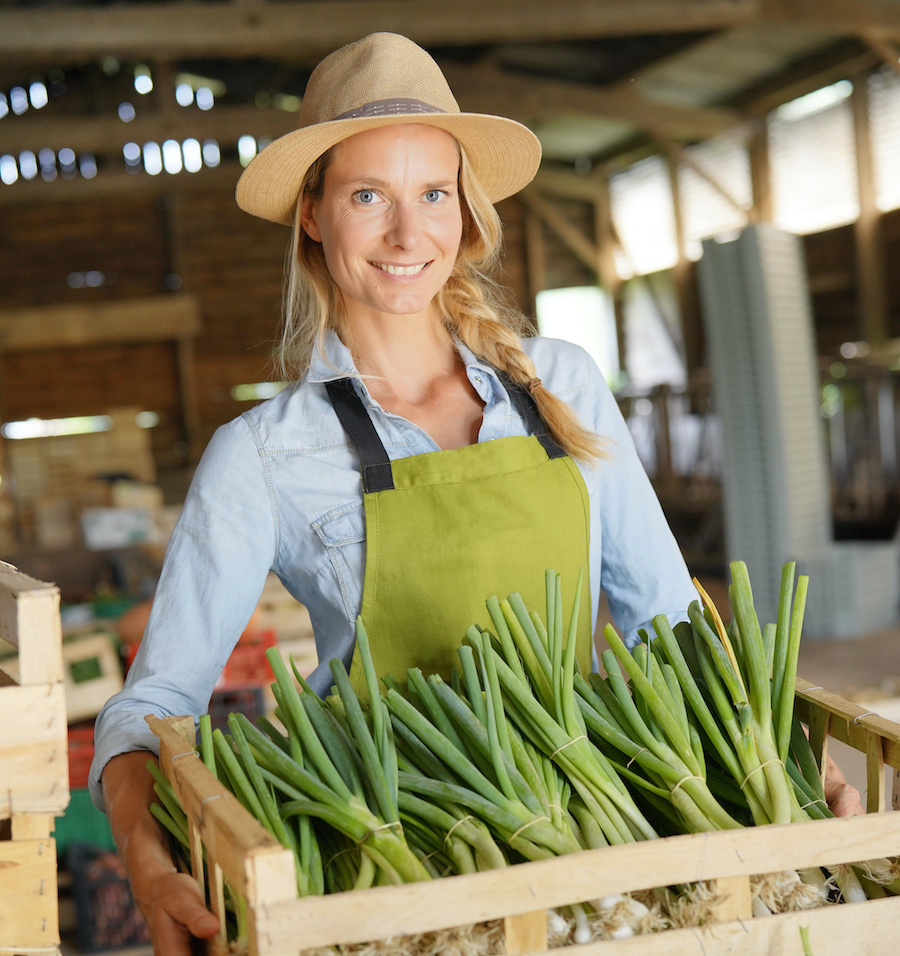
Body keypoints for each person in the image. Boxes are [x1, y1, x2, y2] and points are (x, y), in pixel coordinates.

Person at [90, 32, 862, 955]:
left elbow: (665, 617)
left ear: (466, 209)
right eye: (368, 195)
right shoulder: (263, 454)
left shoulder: (562, 385)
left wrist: (779, 761)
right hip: (403, 873)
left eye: (433, 195)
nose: (408, 235)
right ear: (312, 213)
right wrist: (142, 851)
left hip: (599, 829)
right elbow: (156, 701)